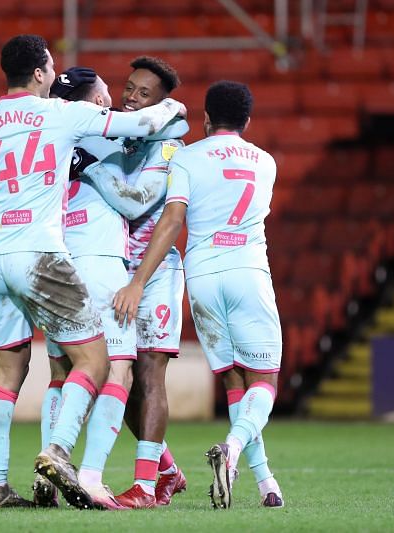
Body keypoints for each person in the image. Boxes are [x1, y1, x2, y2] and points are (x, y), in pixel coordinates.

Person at [0, 35, 186, 510]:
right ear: (42, 72)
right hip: (40, 255)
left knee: (8, 371)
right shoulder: (60, 114)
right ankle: (60, 452)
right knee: (96, 361)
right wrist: (175, 108)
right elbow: (145, 121)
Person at [113, 80, 285, 509]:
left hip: (204, 276)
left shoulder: (187, 158)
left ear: (206, 118)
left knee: (233, 380)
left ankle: (266, 483)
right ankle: (231, 447)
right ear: (246, 121)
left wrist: (137, 281)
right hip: (248, 271)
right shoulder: (266, 162)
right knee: (263, 381)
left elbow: (171, 222)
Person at [77, 56, 188, 508]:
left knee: (147, 374)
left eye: (144, 94)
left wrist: (87, 166)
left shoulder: (169, 148)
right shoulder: (125, 139)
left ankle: (144, 487)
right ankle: (167, 471)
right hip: (120, 274)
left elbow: (136, 198)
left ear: (161, 104)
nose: (130, 98)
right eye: (129, 89)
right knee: (117, 381)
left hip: (155, 273)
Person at [35, 66, 137, 510]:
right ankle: (91, 476)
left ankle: (44, 481)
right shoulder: (104, 134)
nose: (113, 99)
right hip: (100, 265)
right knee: (117, 371)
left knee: (61, 372)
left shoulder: (48, 140)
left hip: (58, 267)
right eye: (107, 94)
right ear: (94, 103)